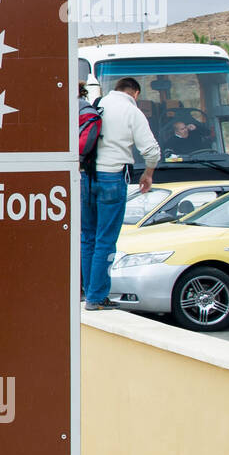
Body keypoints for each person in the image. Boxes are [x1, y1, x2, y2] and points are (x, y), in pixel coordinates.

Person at [81, 77, 160, 311]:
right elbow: (151, 150)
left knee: (88, 238)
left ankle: (87, 291)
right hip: (112, 179)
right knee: (106, 239)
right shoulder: (131, 111)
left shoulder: (98, 104)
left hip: (86, 177)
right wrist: (148, 174)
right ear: (135, 93)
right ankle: (97, 297)